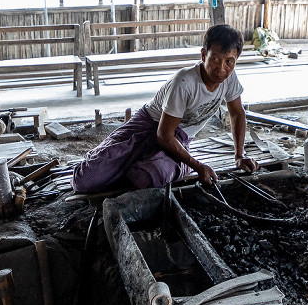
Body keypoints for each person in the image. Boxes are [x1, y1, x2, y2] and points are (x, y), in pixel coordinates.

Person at [72, 24, 259, 193]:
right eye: (216, 59)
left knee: (145, 177)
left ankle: (138, 165)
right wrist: (198, 166)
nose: (222, 68)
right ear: (203, 55)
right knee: (84, 181)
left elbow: (237, 113)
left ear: (236, 60)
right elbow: (163, 135)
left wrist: (239, 155)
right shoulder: (185, 82)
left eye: (229, 61)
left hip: (179, 139)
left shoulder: (230, 79)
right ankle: (120, 163)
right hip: (147, 125)